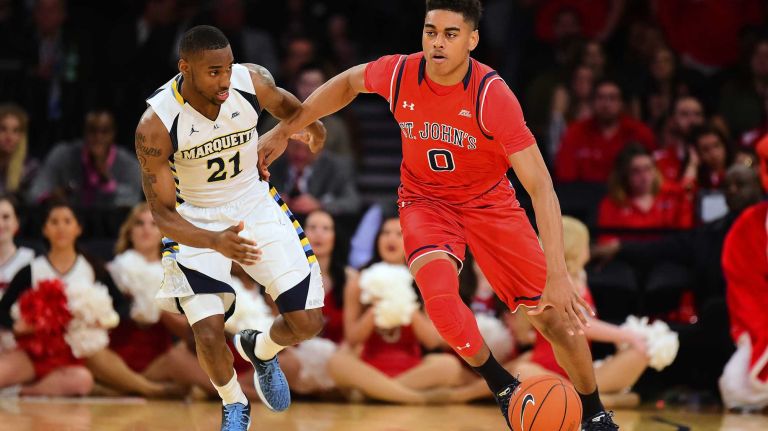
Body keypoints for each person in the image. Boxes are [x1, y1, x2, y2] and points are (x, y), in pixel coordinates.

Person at [257, 1, 619, 429]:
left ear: (472, 40)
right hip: (425, 201)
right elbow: (350, 82)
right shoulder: (401, 73)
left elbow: (541, 186)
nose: (437, 42)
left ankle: (595, 413)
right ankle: (503, 385)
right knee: (442, 302)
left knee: (557, 321)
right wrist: (283, 129)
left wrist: (558, 272)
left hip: (490, 203)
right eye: (431, 31)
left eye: (450, 33)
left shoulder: (492, 95)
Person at [135, 25, 326, 430]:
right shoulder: (156, 124)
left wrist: (308, 128)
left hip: (254, 204)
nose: (224, 80)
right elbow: (163, 215)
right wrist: (215, 241)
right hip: (195, 219)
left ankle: (261, 348)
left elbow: (294, 111)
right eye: (213, 72)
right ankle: (234, 404)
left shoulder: (249, 80)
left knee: (308, 322)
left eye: (227, 68)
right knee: (206, 333)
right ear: (184, 67)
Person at [327, 216, 463, 404]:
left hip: (412, 367)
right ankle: (415, 398)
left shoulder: (423, 280)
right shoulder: (358, 281)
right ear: (377, 240)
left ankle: (375, 393)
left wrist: (405, 300)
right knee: (337, 362)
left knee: (449, 366)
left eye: (399, 234)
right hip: (369, 366)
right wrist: (375, 307)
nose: (390, 238)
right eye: (385, 233)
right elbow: (352, 338)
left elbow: (432, 341)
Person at [26, 108, 143, 208]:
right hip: (69, 225)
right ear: (84, 132)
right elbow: (35, 194)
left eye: (104, 132)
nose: (98, 138)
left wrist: (107, 182)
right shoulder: (63, 155)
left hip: (112, 229)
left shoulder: (128, 163)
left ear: (113, 134)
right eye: (93, 131)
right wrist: (50, 198)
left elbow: (134, 202)